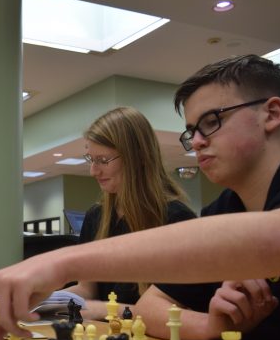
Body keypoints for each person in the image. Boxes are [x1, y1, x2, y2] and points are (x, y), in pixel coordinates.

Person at [0, 55, 280, 340]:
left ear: (272, 114)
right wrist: (214, 326)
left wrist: (57, 262)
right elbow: (150, 307)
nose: (196, 141)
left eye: (212, 121)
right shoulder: (225, 208)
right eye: (191, 131)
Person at [45, 107, 195, 319]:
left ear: (138, 158)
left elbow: (175, 313)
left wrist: (100, 308)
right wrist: (41, 301)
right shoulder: (96, 216)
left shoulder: (176, 219)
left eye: (103, 160)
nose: (93, 171)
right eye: (91, 159)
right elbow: (87, 290)